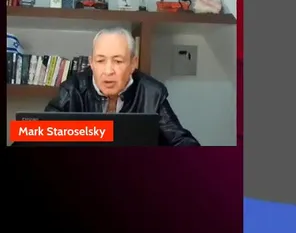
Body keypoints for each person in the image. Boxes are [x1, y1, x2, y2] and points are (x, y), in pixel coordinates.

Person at [45, 27, 201, 146]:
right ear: (91, 63)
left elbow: (180, 140)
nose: (108, 71)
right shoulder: (73, 89)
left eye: (118, 61)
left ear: (133, 63)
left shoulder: (152, 93)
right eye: (100, 61)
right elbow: (42, 133)